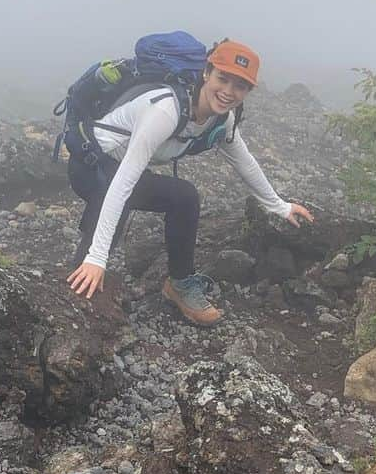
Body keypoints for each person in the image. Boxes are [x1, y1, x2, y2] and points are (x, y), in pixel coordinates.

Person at [66, 38, 314, 324]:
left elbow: (244, 163)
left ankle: (180, 285)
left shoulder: (222, 120)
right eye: (223, 79)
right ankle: (79, 287)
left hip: (122, 170)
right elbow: (122, 183)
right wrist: (97, 258)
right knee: (111, 217)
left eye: (240, 86)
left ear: (249, 91)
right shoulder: (165, 111)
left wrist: (280, 207)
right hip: (92, 165)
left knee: (184, 197)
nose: (228, 92)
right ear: (207, 73)